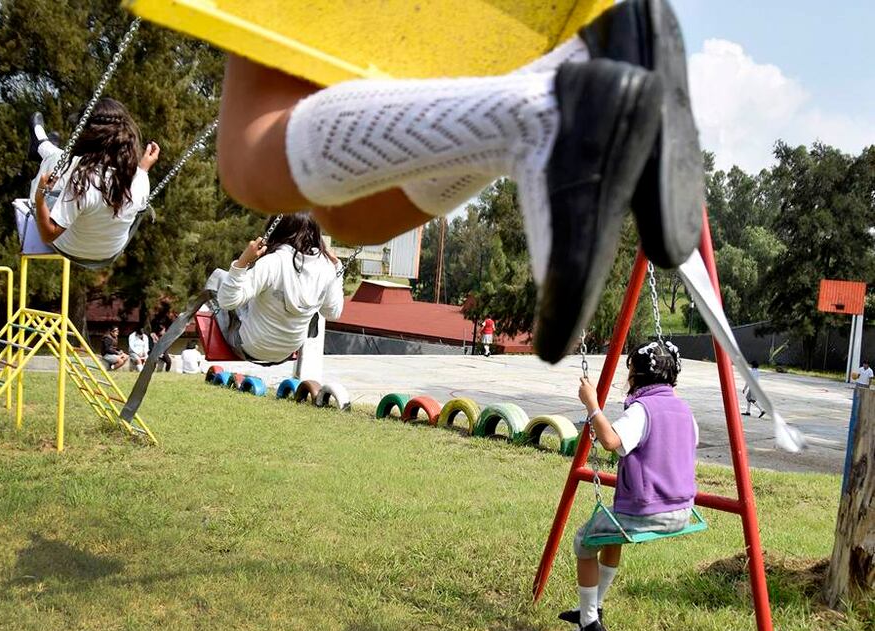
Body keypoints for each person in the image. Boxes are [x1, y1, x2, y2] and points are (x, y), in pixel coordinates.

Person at [211, 0, 704, 363]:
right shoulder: (315, 264)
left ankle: (544, 112)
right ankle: (582, 63)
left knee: (250, 157)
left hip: (263, 330)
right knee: (357, 213)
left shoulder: (273, 268)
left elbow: (238, 298)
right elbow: (333, 304)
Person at [568, 340, 696, 631]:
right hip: (681, 512)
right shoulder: (684, 410)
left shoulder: (642, 410)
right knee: (611, 537)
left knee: (583, 543)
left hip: (644, 513)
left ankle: (588, 622)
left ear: (636, 377)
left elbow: (611, 440)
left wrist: (592, 405)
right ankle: (595, 605)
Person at [27, 98, 160, 262]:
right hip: (109, 255)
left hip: (70, 249)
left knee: (57, 162)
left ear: (87, 137)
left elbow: (48, 235)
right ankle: (43, 146)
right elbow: (127, 181)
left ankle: (41, 145)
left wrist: (40, 197)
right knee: (65, 162)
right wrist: (144, 168)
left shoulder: (82, 180)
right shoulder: (141, 179)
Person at [212, 213, 344, 364]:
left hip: (250, 348)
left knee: (220, 277)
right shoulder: (326, 268)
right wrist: (337, 268)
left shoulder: (271, 263)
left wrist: (241, 263)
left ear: (277, 229)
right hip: (288, 351)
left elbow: (227, 302)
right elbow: (332, 313)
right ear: (315, 233)